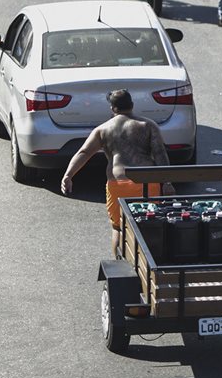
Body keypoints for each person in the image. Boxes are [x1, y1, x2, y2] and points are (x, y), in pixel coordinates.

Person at [60, 89, 170, 256]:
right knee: (150, 224)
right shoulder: (148, 125)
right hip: (147, 183)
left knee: (118, 227)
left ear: (112, 108)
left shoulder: (103, 129)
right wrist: (167, 183)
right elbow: (160, 154)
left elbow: (84, 152)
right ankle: (149, 264)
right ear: (132, 105)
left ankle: (119, 266)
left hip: (118, 183)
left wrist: (68, 175)